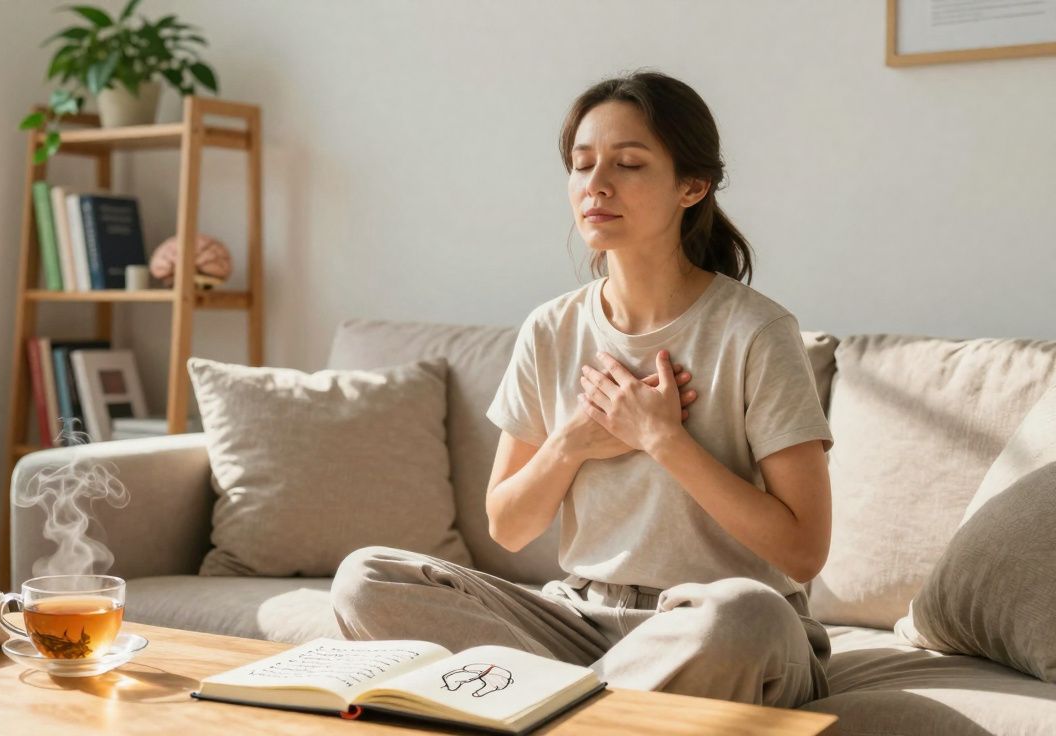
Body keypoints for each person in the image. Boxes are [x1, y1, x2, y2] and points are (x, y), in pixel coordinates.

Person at [330, 69, 836, 709]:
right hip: (580, 623)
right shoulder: (551, 329)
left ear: (692, 186)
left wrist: (662, 439)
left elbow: (803, 551)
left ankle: (548, 704)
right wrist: (571, 443)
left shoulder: (756, 331)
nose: (596, 184)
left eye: (628, 164)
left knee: (745, 615)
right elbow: (508, 525)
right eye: (582, 164)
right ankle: (591, 704)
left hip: (709, 627)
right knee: (366, 578)